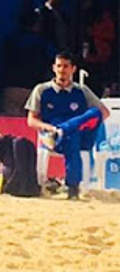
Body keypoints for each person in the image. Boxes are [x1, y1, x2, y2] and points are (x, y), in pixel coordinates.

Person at [25, 51, 110, 199]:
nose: (62, 70)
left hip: (79, 135)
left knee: (94, 113)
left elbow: (105, 113)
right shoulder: (42, 90)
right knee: (72, 138)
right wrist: (50, 128)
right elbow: (31, 120)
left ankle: (63, 130)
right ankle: (73, 189)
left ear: (73, 69)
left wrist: (82, 124)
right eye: (59, 66)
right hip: (52, 136)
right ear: (53, 68)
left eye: (65, 66)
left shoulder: (81, 91)